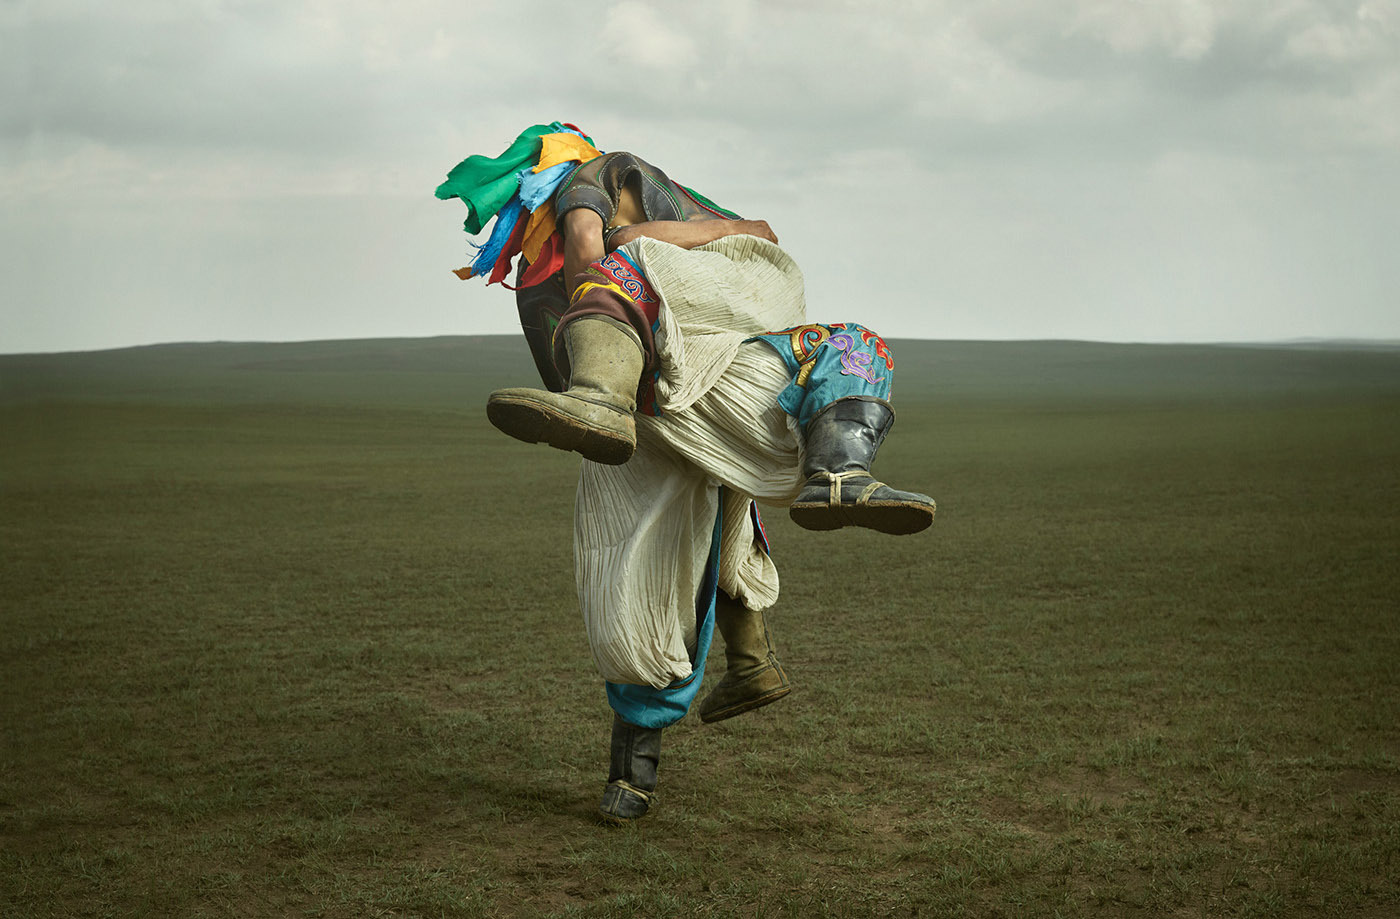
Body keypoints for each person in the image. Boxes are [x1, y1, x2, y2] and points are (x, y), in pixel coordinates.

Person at [436, 125, 935, 822]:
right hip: (687, 394)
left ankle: (638, 774)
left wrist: (642, 250)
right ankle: (833, 480)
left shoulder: (589, 195)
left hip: (662, 400)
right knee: (847, 350)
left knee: (670, 561)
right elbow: (651, 249)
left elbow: (619, 253)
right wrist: (654, 250)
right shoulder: (600, 196)